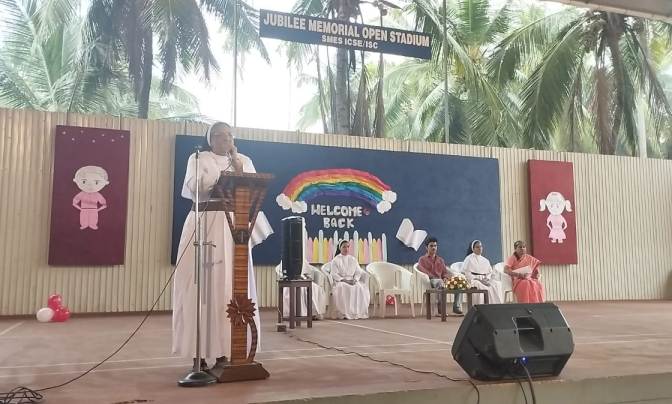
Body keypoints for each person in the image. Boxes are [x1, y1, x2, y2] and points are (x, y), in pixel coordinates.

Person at [172, 122, 261, 370]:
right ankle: (198, 353)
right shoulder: (198, 158)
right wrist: (221, 176)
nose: (226, 139)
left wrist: (237, 166)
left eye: (230, 135)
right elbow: (194, 187)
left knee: (229, 286)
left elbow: (253, 187)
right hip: (204, 223)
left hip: (234, 225)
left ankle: (226, 350)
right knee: (200, 287)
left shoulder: (244, 160)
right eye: (220, 135)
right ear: (210, 139)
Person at [417, 237, 463, 315]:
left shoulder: (440, 260)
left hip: (441, 281)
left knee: (459, 284)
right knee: (440, 282)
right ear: (426, 247)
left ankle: (456, 307)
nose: (434, 248)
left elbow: (445, 272)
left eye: (435, 246)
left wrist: (445, 278)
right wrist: (436, 278)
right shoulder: (422, 259)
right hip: (431, 281)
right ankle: (441, 310)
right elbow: (423, 271)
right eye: (431, 246)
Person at [328, 240, 370, 319]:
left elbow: (358, 271)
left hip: (352, 280)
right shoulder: (336, 260)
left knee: (359, 287)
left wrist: (355, 280)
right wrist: (345, 281)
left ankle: (356, 312)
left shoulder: (353, 259)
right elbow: (334, 274)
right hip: (341, 281)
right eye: (344, 247)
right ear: (340, 248)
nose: (346, 249)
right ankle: (344, 312)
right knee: (344, 287)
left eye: (348, 247)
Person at [462, 240, 504, 304]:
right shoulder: (468, 259)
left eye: (481, 246)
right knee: (480, 285)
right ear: (473, 249)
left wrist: (487, 279)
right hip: (474, 280)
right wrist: (479, 280)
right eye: (477, 247)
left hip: (485, 279)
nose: (480, 248)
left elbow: (490, 273)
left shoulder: (485, 260)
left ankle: (495, 306)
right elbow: (467, 273)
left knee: (496, 284)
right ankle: (481, 306)